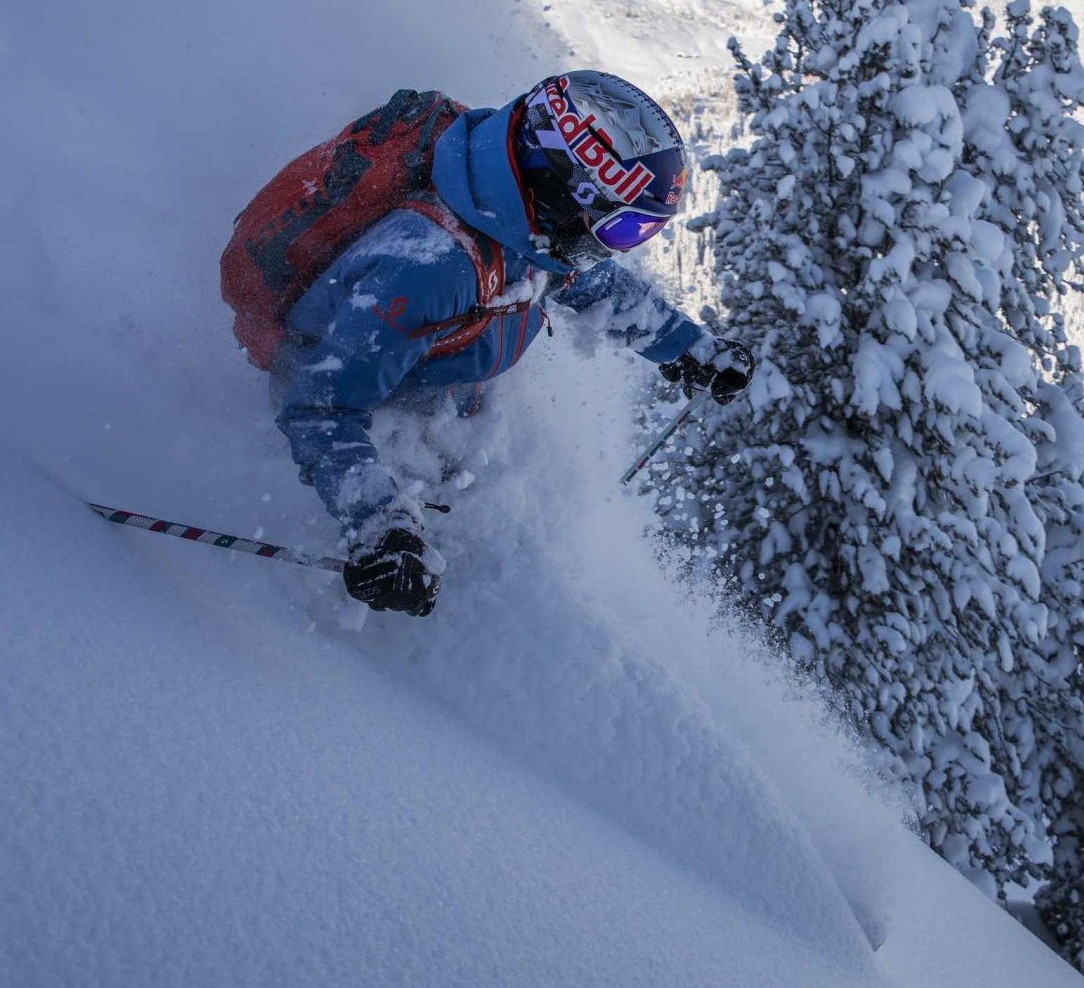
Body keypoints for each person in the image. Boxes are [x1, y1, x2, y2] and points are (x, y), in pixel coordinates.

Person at [257, 71, 748, 617]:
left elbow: (591, 284)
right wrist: (381, 529)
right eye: (623, 229)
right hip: (364, 433)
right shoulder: (428, 268)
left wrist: (685, 347)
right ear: (570, 187)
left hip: (434, 395)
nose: (616, 249)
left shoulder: (515, 213)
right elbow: (320, 407)